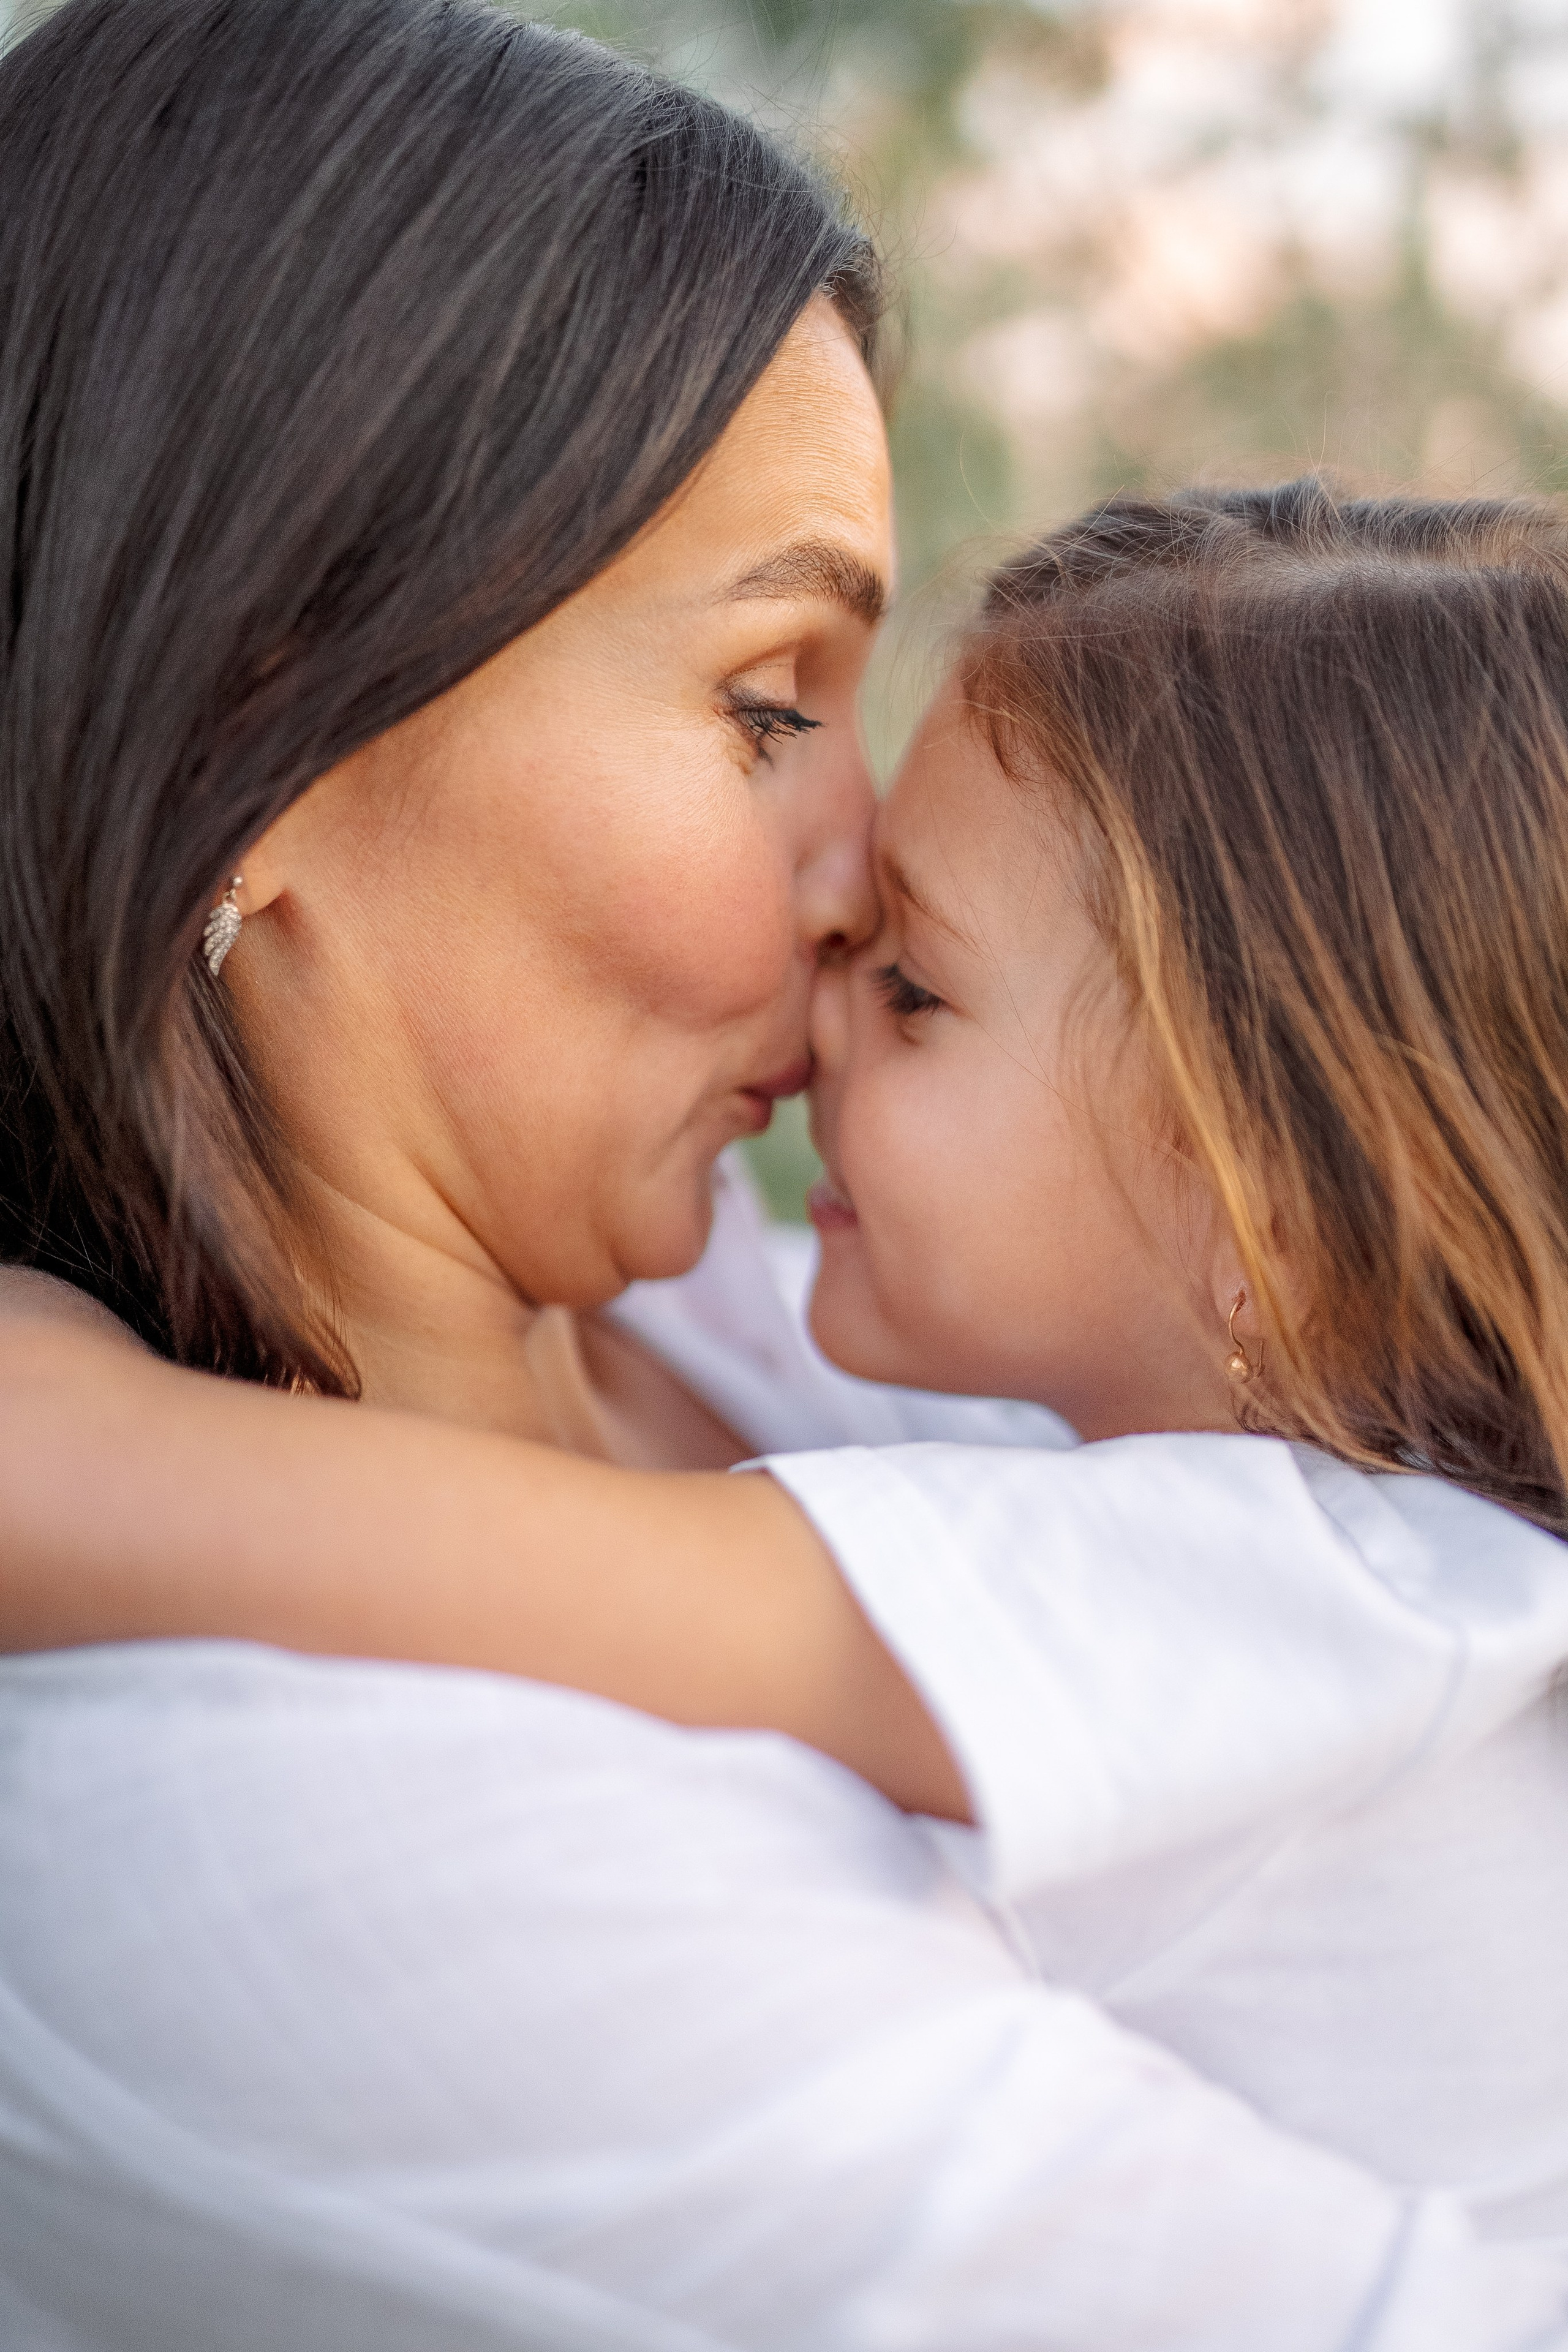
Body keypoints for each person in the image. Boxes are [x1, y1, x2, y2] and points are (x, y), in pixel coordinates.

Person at [0, 0, 1561, 2344]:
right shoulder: (260, 1850)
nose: (860, 876)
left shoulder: (754, 1317)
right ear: (265, 722)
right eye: (764, 705)